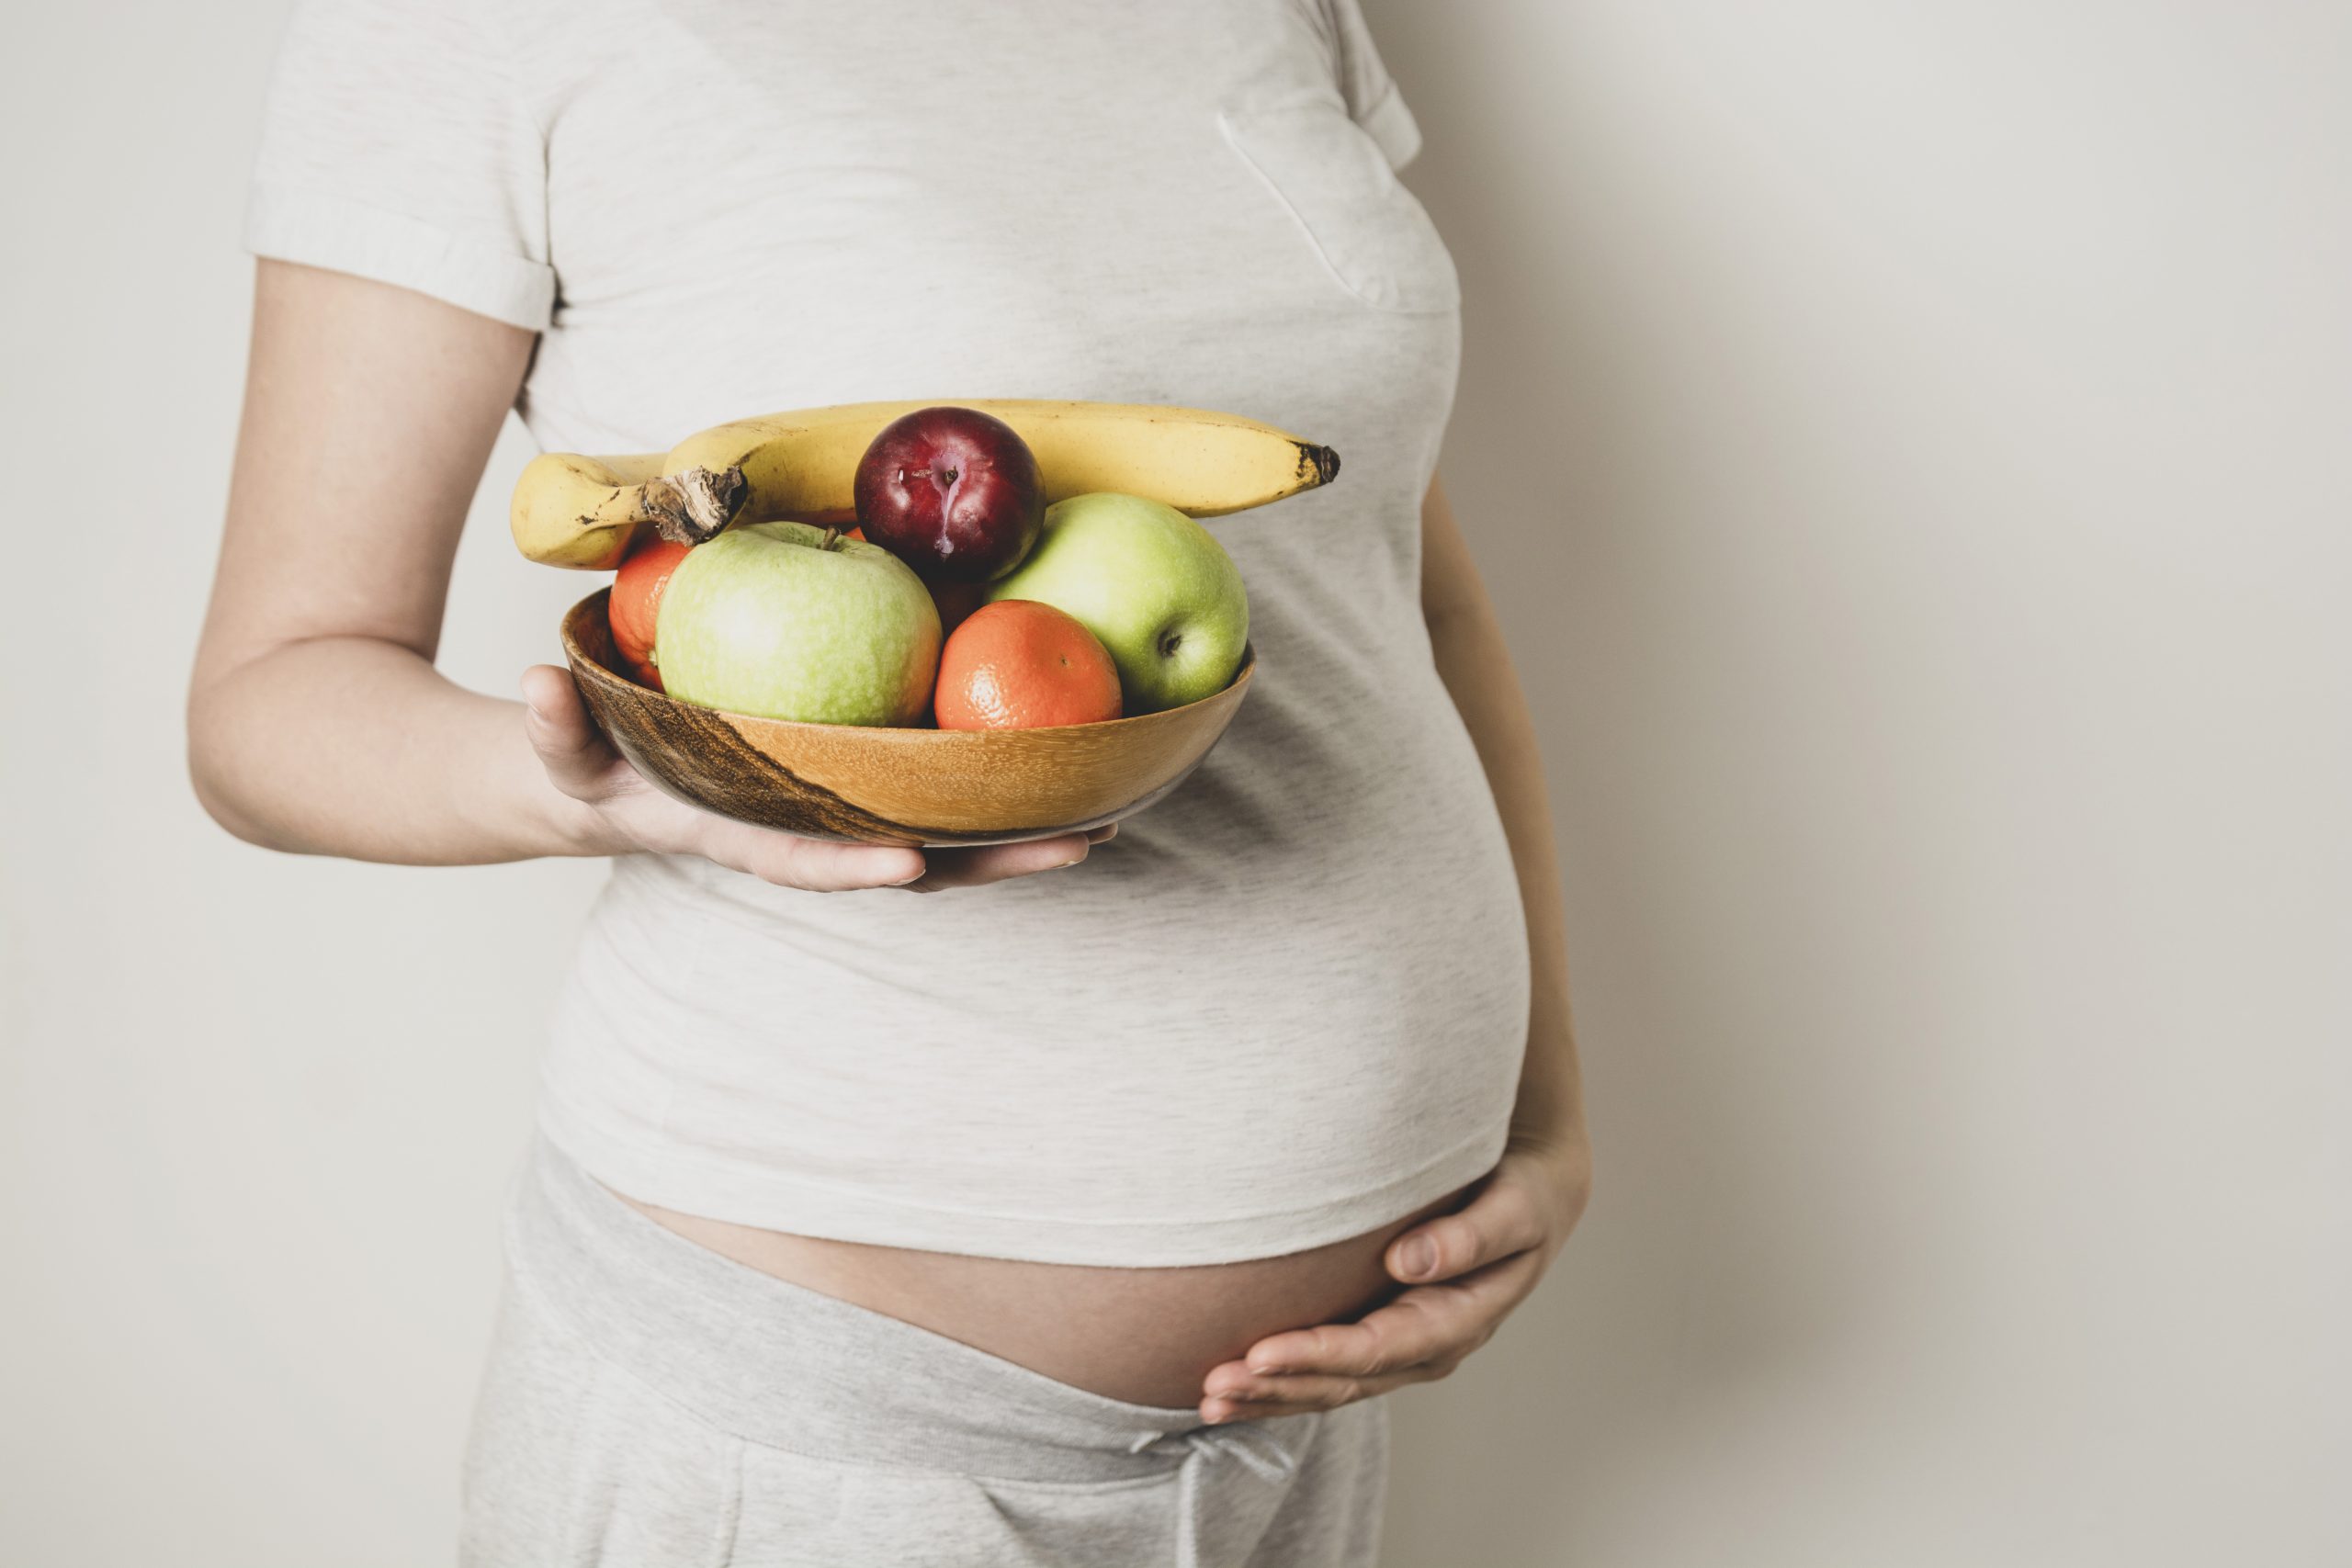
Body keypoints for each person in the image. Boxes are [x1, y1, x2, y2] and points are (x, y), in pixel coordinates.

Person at [189, 1, 1591, 1562]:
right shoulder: (472, 30)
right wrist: (612, 791)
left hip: (1297, 1441)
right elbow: (270, 703)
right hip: (824, 1448)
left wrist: (1541, 1114)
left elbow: (1408, 593)